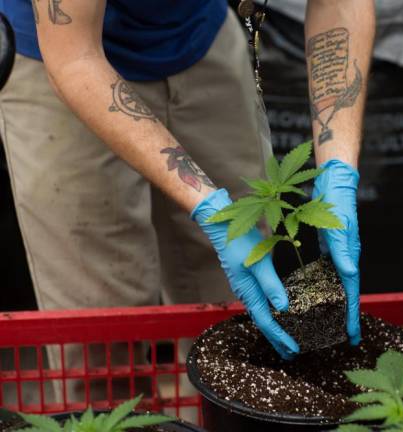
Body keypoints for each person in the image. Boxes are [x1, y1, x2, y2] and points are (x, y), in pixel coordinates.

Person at [0, 0, 375, 365]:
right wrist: (211, 207)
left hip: (198, 34)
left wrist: (338, 167)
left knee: (236, 320)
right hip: (66, 48)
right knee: (103, 333)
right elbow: (74, 57)